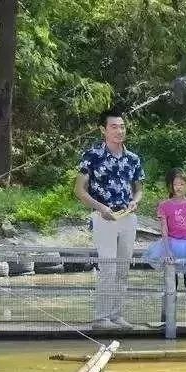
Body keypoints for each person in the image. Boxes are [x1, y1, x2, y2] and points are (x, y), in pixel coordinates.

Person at [74, 108, 145, 331]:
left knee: (123, 268)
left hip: (127, 217)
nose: (119, 131)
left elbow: (139, 189)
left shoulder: (133, 158)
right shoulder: (92, 156)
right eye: (114, 126)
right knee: (108, 266)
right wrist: (100, 207)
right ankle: (101, 317)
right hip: (103, 216)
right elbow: (79, 190)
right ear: (103, 130)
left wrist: (135, 201)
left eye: (122, 126)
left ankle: (116, 315)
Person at [143, 168, 186, 329]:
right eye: (175, 184)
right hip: (172, 244)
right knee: (171, 283)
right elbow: (164, 228)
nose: (178, 187)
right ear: (170, 186)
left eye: (182, 184)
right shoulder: (165, 205)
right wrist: (167, 250)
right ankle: (167, 318)